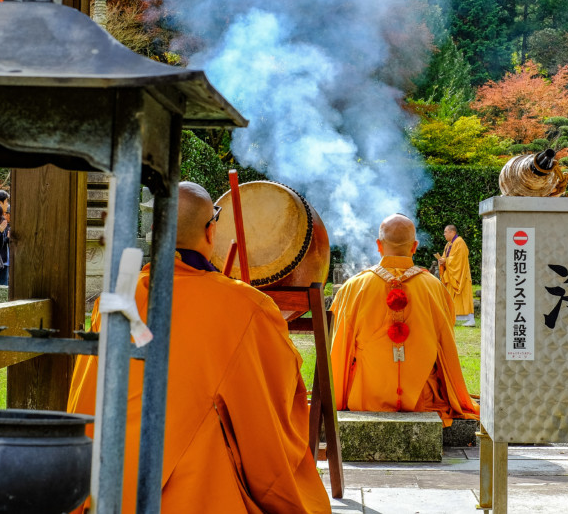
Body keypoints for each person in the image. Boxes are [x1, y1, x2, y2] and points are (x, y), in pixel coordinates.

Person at [67, 182, 329, 514]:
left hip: (101, 482)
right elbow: (269, 410)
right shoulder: (245, 307)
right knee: (215, 429)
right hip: (187, 494)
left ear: (153, 231)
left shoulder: (116, 298)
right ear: (210, 232)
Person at [330, 214, 479, 427]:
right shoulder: (434, 287)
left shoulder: (354, 287)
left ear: (379, 245)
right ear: (415, 246)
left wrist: (336, 400)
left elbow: (340, 351)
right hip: (422, 400)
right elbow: (447, 351)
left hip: (365, 398)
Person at [435, 224, 475, 327]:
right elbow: (446, 257)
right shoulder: (448, 244)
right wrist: (442, 261)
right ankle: (452, 316)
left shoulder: (460, 242)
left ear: (452, 232)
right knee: (449, 297)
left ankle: (471, 319)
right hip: (451, 275)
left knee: (464, 297)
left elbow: (459, 259)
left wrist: (446, 260)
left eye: (445, 232)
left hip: (460, 275)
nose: (444, 234)